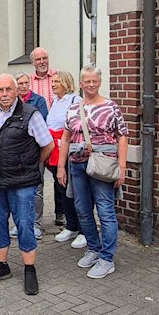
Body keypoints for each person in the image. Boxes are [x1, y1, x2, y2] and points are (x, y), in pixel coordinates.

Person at [0, 74, 54, 295]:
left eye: (8, 90)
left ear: (16, 91)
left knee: (24, 224)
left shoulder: (31, 115)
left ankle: (29, 269)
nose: (4, 94)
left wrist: (30, 164)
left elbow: (47, 145)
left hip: (23, 183)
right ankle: (2, 266)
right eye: (0, 90)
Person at [57, 66, 128, 279]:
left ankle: (107, 258)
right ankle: (94, 248)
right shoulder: (73, 109)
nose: (90, 85)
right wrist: (61, 166)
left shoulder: (110, 107)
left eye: (94, 81)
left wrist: (122, 167)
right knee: (82, 209)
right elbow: (66, 138)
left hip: (103, 165)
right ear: (80, 83)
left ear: (99, 82)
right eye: (86, 81)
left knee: (105, 211)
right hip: (77, 164)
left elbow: (122, 136)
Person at [47, 71, 85, 248]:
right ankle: (71, 226)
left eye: (56, 81)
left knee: (75, 190)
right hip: (55, 150)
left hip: (70, 150)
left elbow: (77, 127)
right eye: (52, 81)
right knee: (61, 187)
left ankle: (84, 230)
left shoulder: (74, 101)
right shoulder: (55, 101)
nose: (53, 84)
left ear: (65, 83)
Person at [10, 72, 48, 240]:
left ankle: (36, 224)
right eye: (20, 83)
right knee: (17, 188)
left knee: (36, 189)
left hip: (34, 152)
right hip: (16, 154)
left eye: (26, 82)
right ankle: (21, 223)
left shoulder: (38, 101)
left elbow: (43, 125)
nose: (24, 86)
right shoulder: (11, 102)